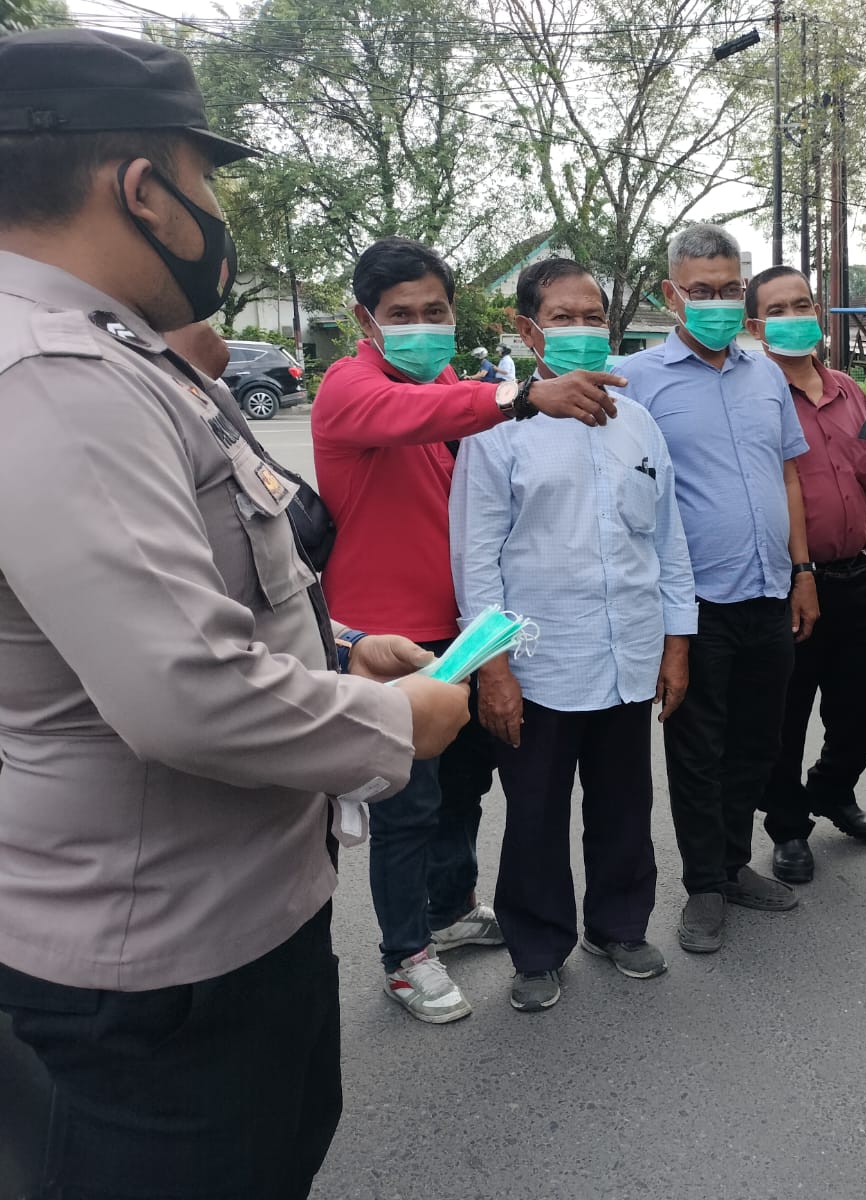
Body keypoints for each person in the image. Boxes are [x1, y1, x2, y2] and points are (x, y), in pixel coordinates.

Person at [0, 29, 472, 1198]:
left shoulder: (118, 358)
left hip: (214, 928)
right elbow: (184, 688)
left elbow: (177, 603)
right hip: (157, 969)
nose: (215, 213)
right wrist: (392, 718)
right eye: (204, 180)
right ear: (143, 188)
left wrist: (345, 648)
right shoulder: (53, 372)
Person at [313, 235, 628, 1023]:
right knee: (407, 805)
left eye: (436, 311)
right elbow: (411, 414)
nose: (422, 326)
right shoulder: (349, 389)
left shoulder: (452, 382)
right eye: (401, 315)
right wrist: (521, 398)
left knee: (462, 789)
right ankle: (404, 954)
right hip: (382, 642)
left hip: (463, 632)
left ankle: (450, 912)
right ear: (366, 318)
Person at [451, 258, 696, 1011]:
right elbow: (476, 558)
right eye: (565, 317)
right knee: (535, 811)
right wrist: (492, 670)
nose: (585, 330)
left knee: (625, 800)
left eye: (595, 316)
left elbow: (669, 540)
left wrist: (677, 642)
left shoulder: (640, 422)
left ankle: (618, 925)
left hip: (628, 649)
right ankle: (536, 946)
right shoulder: (498, 434)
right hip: (538, 659)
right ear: (529, 332)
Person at [621, 223, 815, 954]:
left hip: (769, 592)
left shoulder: (766, 373)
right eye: (700, 292)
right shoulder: (637, 380)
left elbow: (789, 474)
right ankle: (704, 885)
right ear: (670, 294)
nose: (717, 303)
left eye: (730, 290)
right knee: (697, 750)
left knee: (758, 743)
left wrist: (803, 573)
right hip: (691, 605)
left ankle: (734, 863)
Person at [745, 265, 866, 884]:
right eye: (777, 309)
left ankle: (830, 789)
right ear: (755, 325)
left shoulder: (848, 391)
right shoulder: (754, 395)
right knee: (786, 715)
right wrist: (797, 573)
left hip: (856, 572)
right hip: (788, 584)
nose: (794, 316)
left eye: (802, 302)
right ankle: (787, 827)